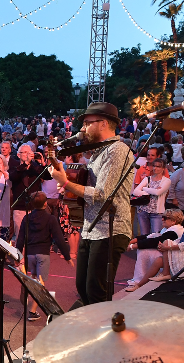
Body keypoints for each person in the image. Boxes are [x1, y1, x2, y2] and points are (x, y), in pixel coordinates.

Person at [49, 102, 134, 305]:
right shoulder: (98, 152)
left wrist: (66, 183)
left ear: (103, 124)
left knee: (97, 292)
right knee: (83, 289)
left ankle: (103, 334)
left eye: (87, 123)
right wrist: (69, 180)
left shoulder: (117, 150)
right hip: (91, 227)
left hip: (110, 230)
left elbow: (103, 194)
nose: (83, 129)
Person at [15, 192, 72, 320]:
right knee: (41, 284)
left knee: (33, 278)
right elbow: (58, 238)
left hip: (30, 254)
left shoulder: (27, 218)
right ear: (46, 203)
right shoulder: (50, 219)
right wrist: (67, 256)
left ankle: (26, 287)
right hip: (43, 254)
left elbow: (20, 238)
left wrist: (17, 256)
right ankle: (32, 312)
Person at [123, 209, 184, 291]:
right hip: (167, 254)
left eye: (165, 218)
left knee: (144, 251)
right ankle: (141, 279)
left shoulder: (175, 231)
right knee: (145, 247)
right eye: (162, 217)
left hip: (172, 257)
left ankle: (139, 280)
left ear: (173, 221)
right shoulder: (169, 229)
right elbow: (149, 236)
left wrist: (132, 247)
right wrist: (130, 242)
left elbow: (155, 241)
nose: (162, 219)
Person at [132, 159, 171, 236]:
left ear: (163, 168)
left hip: (156, 213)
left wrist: (144, 188)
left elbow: (158, 192)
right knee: (144, 236)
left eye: (158, 166)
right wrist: (150, 191)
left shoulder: (166, 181)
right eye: (154, 166)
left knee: (156, 236)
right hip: (143, 210)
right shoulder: (147, 178)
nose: (155, 168)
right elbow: (135, 192)